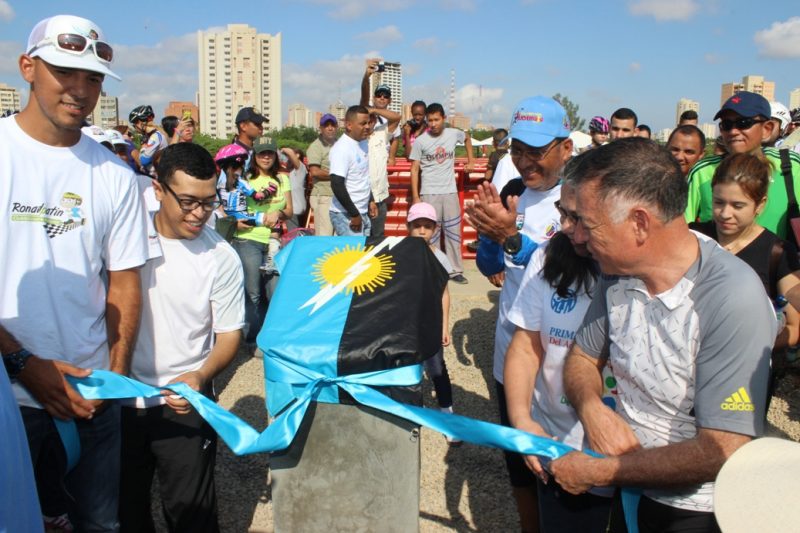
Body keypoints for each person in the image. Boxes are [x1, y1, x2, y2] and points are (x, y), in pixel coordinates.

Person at [550, 138, 776, 533]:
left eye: (587, 222)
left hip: (697, 511)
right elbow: (582, 358)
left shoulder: (730, 298)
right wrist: (591, 408)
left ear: (639, 223)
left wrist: (602, 471)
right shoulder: (616, 274)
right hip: (632, 488)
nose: (578, 236)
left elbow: (722, 447)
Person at [0, 14, 149, 531]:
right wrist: (21, 362)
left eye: (93, 78)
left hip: (90, 400)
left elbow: (125, 281)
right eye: (64, 70)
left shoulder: (115, 175)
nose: (80, 89)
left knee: (98, 524)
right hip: (7, 398)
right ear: (28, 67)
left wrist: (116, 372)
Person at [119, 143, 244, 533]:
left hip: (185, 404)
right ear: (159, 190)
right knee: (122, 512)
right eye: (188, 202)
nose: (199, 214)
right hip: (120, 401)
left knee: (191, 516)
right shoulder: (125, 241)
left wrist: (201, 376)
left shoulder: (221, 256)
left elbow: (229, 335)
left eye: (209, 203)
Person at [465, 95, 572, 533]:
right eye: (518, 151)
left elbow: (567, 275)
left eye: (537, 151)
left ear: (565, 147)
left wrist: (511, 237)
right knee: (519, 461)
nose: (526, 162)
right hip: (512, 350)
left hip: (561, 357)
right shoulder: (513, 194)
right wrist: (490, 237)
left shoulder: (582, 198)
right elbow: (491, 269)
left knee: (562, 463)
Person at [504, 176, 614, 533]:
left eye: (579, 218)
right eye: (563, 214)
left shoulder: (673, 269)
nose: (568, 228)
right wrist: (522, 421)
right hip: (559, 447)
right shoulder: (551, 255)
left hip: (644, 463)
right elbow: (525, 345)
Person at [690, 153, 800, 385]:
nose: (725, 213)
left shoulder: (778, 252)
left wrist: (742, 347)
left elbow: (793, 327)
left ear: (760, 205)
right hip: (685, 370)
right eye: (719, 202)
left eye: (738, 205)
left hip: (743, 378)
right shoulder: (692, 237)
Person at [685, 91, 800, 240]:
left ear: (767, 129)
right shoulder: (702, 172)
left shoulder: (790, 166)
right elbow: (683, 227)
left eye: (743, 123)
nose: (733, 131)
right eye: (726, 125)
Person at [406, 202, 460, 445]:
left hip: (431, 322)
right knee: (405, 368)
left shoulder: (440, 257)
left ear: (435, 229)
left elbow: (444, 293)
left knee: (437, 369)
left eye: (427, 226)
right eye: (416, 226)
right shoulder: (398, 253)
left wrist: (444, 325)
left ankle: (447, 415)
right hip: (406, 325)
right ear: (408, 227)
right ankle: (406, 413)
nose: (421, 231)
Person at [233, 136, 292, 346]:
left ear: (275, 155)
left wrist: (278, 212)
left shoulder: (283, 179)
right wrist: (236, 222)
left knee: (274, 291)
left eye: (269, 153)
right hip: (248, 238)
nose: (266, 157)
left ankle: (272, 336)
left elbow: (290, 210)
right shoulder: (245, 179)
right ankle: (252, 339)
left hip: (274, 240)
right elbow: (233, 208)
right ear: (254, 156)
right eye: (261, 153)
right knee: (253, 292)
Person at [410, 102, 475, 284]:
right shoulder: (421, 141)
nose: (433, 124)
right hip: (429, 193)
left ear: (443, 119)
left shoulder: (453, 134)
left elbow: (467, 138)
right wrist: (416, 197)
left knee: (454, 232)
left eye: (436, 119)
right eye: (429, 120)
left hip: (450, 191)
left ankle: (455, 271)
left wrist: (472, 159)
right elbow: (414, 169)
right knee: (432, 234)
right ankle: (434, 268)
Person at [360, 60, 402, 238]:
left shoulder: (382, 131)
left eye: (385, 96)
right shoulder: (359, 135)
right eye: (379, 95)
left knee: (378, 235)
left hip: (380, 190)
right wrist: (366, 76)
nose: (382, 98)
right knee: (359, 235)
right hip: (361, 190)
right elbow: (363, 99)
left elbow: (397, 118)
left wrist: (374, 111)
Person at [329, 105, 376, 236]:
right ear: (349, 125)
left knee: (363, 254)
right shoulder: (342, 149)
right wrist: (354, 214)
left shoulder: (363, 143)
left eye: (368, 122)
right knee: (353, 255)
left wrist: (370, 200)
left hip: (362, 211)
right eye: (362, 123)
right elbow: (336, 184)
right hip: (346, 214)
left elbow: (363, 175)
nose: (367, 126)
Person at [307, 113, 338, 236]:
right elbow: (315, 171)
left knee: (338, 237)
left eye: (333, 125)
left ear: (337, 127)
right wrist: (338, 176)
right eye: (326, 125)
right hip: (324, 195)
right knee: (324, 236)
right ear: (320, 128)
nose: (330, 128)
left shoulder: (339, 143)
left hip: (339, 195)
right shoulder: (316, 146)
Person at [129, 104, 167, 177]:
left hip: (157, 177)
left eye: (134, 125)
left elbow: (144, 160)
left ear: (140, 123)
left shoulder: (155, 137)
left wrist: (143, 147)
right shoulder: (153, 135)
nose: (135, 128)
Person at [281, 146, 308, 230]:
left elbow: (290, 154)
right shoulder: (294, 172)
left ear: (298, 155)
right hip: (295, 208)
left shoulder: (301, 168)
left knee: (293, 234)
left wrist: (282, 150)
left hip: (295, 208)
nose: (287, 158)